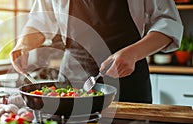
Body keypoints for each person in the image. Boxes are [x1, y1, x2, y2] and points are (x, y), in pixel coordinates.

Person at [10, 0, 183, 103]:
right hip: (72, 78)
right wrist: (23, 45)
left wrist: (133, 53)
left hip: (128, 79)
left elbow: (169, 23)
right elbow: (40, 21)